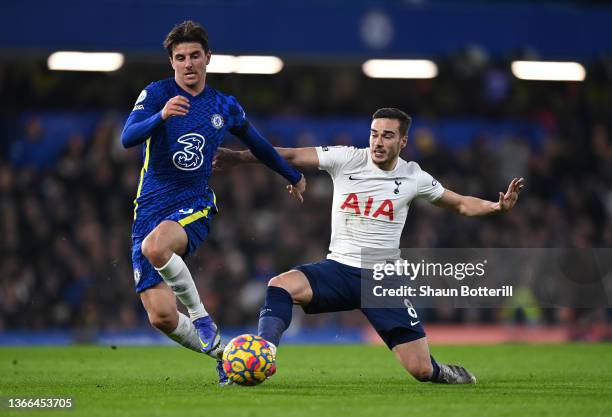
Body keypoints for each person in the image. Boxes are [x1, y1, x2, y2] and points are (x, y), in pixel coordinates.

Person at [214, 108, 524, 384]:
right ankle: (264, 352)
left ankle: (442, 371)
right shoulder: (347, 158)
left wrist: (497, 208)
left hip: (381, 280)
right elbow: (291, 155)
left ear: (402, 142)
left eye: (387, 136)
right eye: (374, 134)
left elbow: (461, 204)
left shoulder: (413, 176)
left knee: (422, 371)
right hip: (338, 269)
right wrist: (239, 157)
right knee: (280, 286)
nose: (377, 141)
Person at [120, 20, 306, 384]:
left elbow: (259, 144)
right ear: (172, 63)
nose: (188, 64)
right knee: (160, 317)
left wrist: (291, 174)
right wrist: (160, 117)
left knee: (157, 246)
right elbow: (128, 137)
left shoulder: (224, 105)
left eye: (194, 56)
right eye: (180, 58)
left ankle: (202, 316)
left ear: (208, 57)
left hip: (195, 202)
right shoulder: (157, 95)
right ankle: (225, 354)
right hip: (150, 209)